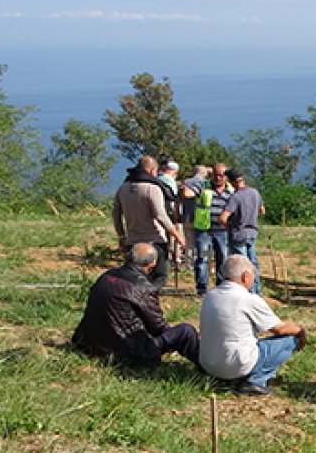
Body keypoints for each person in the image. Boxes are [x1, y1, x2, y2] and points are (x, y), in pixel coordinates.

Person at [71, 243, 200, 367]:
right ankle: (206, 366)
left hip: (90, 344)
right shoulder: (143, 288)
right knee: (185, 331)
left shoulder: (106, 276)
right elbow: (159, 327)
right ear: (151, 266)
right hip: (130, 351)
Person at [198, 255, 307, 396]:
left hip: (208, 364)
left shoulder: (210, 295)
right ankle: (254, 382)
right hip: (234, 365)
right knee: (289, 341)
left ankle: (227, 378)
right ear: (245, 276)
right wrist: (300, 331)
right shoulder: (248, 299)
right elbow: (280, 329)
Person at [112, 156, 184, 289]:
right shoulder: (152, 189)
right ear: (152, 171)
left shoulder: (123, 188)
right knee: (159, 276)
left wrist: (121, 236)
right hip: (154, 240)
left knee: (133, 277)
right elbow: (160, 215)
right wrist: (176, 234)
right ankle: (150, 300)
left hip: (132, 240)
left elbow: (116, 214)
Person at [188, 164, 233, 295]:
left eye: (221, 175)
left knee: (222, 258)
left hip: (222, 232)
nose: (218, 178)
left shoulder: (231, 190)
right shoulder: (203, 186)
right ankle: (202, 288)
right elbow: (188, 192)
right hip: (204, 231)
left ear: (226, 177)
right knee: (204, 258)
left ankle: (221, 286)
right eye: (216, 174)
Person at [219, 169, 264, 294]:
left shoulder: (236, 197)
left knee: (241, 265)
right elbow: (262, 211)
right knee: (253, 263)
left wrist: (229, 226)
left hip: (238, 233)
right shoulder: (255, 193)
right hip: (252, 232)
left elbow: (223, 217)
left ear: (232, 182)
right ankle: (257, 290)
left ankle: (247, 292)